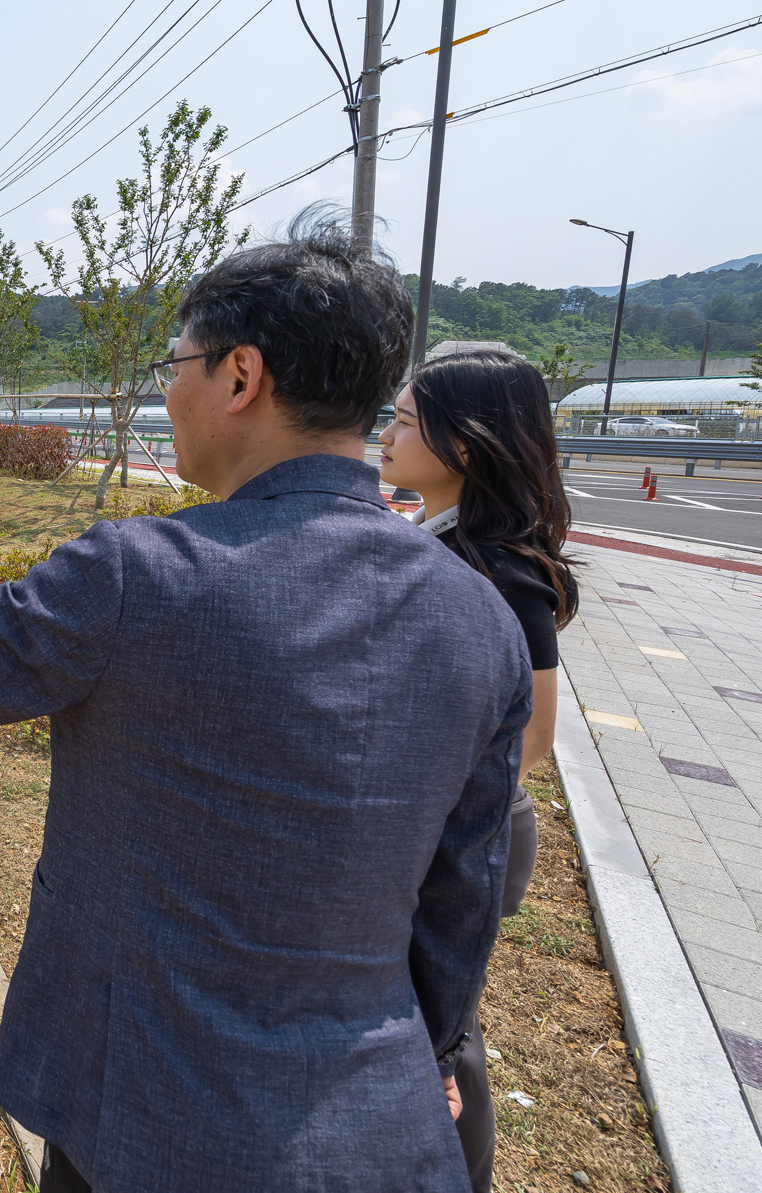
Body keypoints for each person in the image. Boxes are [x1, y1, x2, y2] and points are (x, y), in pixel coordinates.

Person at [0, 212, 531, 1192]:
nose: (165, 390)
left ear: (239, 377)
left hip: (141, 1112)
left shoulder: (141, 573)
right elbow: (461, 902)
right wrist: (425, 1059)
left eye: (175, 361)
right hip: (370, 1133)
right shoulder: (478, 619)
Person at [378, 348, 580, 1193]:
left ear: (465, 445)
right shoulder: (448, 536)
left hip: (468, 825)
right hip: (449, 819)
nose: (384, 434)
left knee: (442, 1024)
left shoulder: (494, 566)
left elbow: (530, 736)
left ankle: (459, 1170)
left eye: (403, 419)